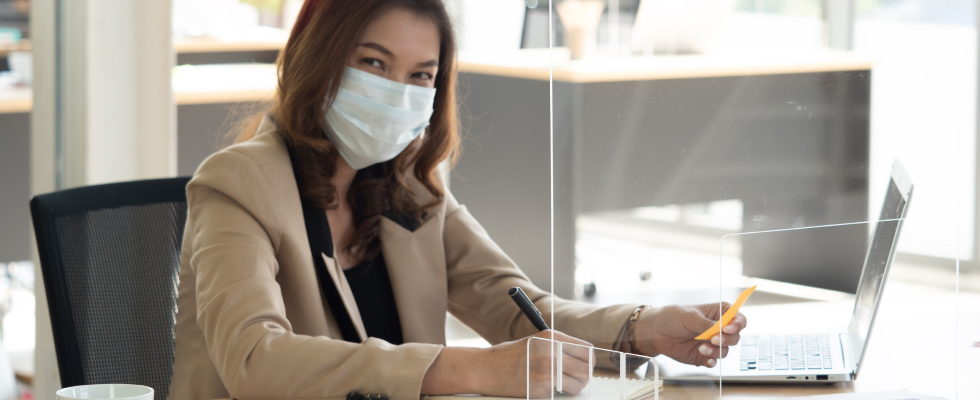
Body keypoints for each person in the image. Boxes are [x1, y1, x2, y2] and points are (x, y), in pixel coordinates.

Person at [167, 1, 747, 399]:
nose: (397, 92)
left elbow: (517, 306)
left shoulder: (410, 189)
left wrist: (642, 330)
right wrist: (473, 368)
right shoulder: (237, 184)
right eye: (373, 63)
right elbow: (253, 360)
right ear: (318, 59)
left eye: (421, 75)